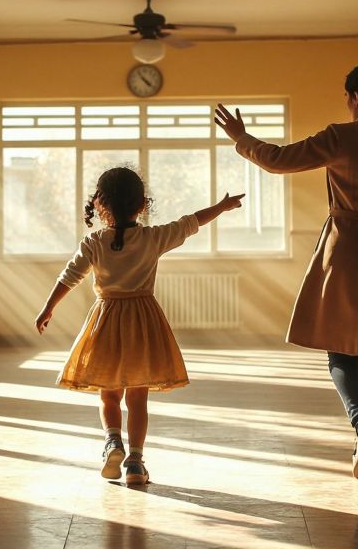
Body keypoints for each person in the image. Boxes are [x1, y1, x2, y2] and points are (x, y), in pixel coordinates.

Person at [214, 61, 358, 480]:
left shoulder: (342, 137)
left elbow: (279, 159)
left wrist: (242, 138)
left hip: (347, 251)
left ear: (355, 98)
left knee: (340, 353)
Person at [35, 166, 244, 485]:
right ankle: (135, 462)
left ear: (101, 204)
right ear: (142, 204)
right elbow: (190, 223)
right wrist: (222, 206)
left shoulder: (94, 241)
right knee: (137, 397)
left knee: (108, 394)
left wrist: (48, 307)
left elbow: (70, 276)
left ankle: (112, 442)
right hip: (143, 321)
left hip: (105, 321)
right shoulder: (153, 237)